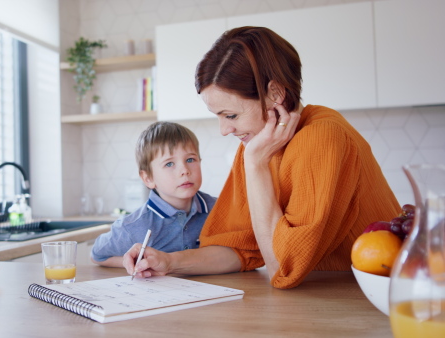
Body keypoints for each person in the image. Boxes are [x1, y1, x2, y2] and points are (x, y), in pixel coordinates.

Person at [123, 26, 401, 289]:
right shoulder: (260, 144)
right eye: (219, 117)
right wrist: (168, 262)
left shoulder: (322, 137)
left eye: (231, 115)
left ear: (275, 94)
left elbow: (282, 269)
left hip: (358, 299)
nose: (224, 130)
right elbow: (241, 247)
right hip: (318, 298)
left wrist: (255, 164)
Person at [91, 121, 216, 267]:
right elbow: (97, 256)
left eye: (190, 159)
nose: (185, 170)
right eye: (169, 164)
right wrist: (139, 263)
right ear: (148, 178)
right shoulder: (132, 226)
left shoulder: (220, 209)